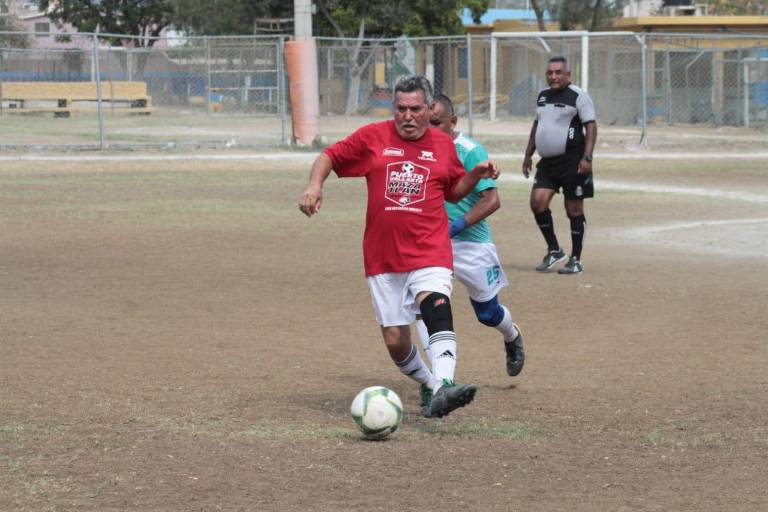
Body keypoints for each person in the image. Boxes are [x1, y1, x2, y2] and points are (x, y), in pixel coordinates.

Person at [299, 75, 500, 418]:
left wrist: (475, 175)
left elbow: (453, 191)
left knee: (437, 305)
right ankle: (428, 383)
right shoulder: (373, 137)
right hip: (383, 256)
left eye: (415, 109)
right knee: (396, 341)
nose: (407, 116)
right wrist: (315, 186)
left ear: (428, 109)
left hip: (429, 249)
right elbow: (329, 156)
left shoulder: (442, 145)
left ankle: (445, 385)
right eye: (401, 109)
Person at [412, 94, 523, 388]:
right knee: (426, 307)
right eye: (427, 123)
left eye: (436, 123)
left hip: (471, 244)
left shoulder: (470, 151)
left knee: (487, 314)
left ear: (453, 121)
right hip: (433, 246)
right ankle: (440, 380)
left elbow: (492, 201)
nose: (431, 129)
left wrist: (454, 226)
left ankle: (511, 335)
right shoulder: (419, 149)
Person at [522, 56, 598, 274]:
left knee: (573, 209)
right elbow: (537, 125)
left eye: (558, 72)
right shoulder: (542, 96)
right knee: (537, 203)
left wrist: (587, 157)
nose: (553, 76)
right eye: (549, 73)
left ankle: (576, 259)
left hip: (573, 161)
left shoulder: (578, 96)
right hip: (548, 163)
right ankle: (554, 249)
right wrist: (528, 154)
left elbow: (591, 127)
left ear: (568, 75)